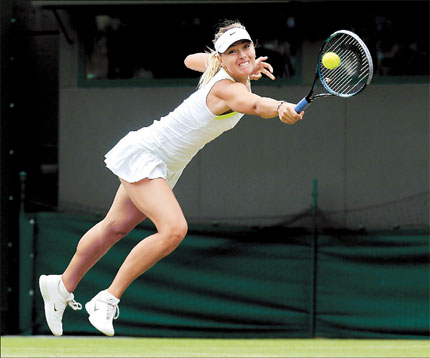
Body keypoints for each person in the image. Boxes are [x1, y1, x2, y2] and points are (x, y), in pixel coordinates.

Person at [39, 20, 304, 337]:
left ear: (253, 47)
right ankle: (107, 299)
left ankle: (61, 286)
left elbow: (190, 60)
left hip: (164, 162)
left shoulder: (225, 70)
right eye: (232, 52)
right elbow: (256, 104)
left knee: (115, 227)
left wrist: (241, 67)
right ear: (221, 58)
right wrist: (281, 106)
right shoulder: (227, 89)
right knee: (174, 229)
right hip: (148, 154)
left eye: (245, 47)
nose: (242, 54)